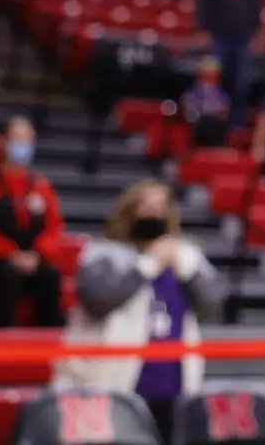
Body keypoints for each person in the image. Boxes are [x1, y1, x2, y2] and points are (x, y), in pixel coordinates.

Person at [55, 180, 226, 440]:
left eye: (161, 207)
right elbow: (98, 301)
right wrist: (146, 265)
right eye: (145, 206)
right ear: (129, 211)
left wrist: (187, 270)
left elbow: (214, 303)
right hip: (115, 382)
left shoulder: (185, 256)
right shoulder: (102, 254)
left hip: (174, 384)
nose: (154, 213)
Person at [0, 116, 65, 328]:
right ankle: (0, 339)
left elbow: (54, 227)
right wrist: (10, 253)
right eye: (17, 139)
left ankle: (48, 343)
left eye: (27, 139)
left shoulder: (41, 186)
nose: (22, 145)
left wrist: (38, 254)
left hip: (33, 258)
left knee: (51, 276)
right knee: (8, 276)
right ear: (3, 142)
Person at [195, 0, 264, 125]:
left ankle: (236, 127)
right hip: (218, 36)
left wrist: (257, 32)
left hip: (243, 38)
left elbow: (255, 4)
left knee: (241, 84)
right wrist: (202, 31)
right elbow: (203, 2)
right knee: (215, 84)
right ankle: (214, 127)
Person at [181, 57, 232, 149]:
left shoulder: (221, 94)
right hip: (198, 125)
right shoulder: (193, 93)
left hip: (216, 126)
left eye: (213, 76)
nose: (210, 79)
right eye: (207, 75)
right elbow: (189, 109)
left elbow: (224, 109)